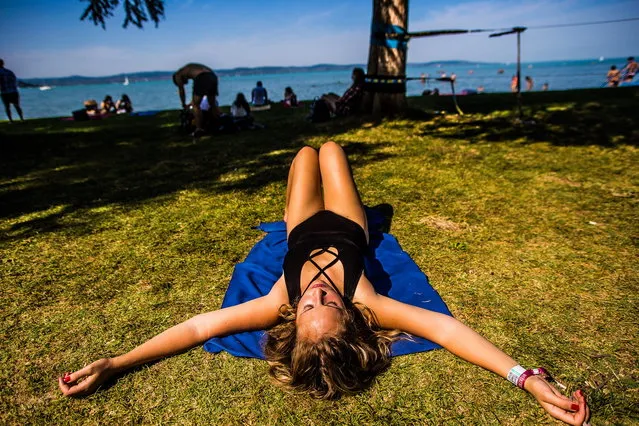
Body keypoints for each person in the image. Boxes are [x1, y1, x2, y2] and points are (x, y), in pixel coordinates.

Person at [57, 142, 590, 425]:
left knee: (303, 158)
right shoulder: (370, 303)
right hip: (347, 226)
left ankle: (302, 170)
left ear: (293, 321)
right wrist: (527, 379)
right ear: (350, 318)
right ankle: (326, 164)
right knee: (331, 150)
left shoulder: (276, 302)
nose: (316, 294)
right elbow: (447, 330)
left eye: (311, 302)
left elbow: (199, 327)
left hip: (300, 229)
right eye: (325, 302)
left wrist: (118, 362)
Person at [173, 63, 219, 137]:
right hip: (213, 76)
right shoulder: (190, 68)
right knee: (212, 104)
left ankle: (199, 129)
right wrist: (192, 102)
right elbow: (199, 94)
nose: (183, 84)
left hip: (202, 77)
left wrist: (183, 104)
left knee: (196, 106)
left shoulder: (178, 75)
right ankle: (219, 123)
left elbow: (181, 90)